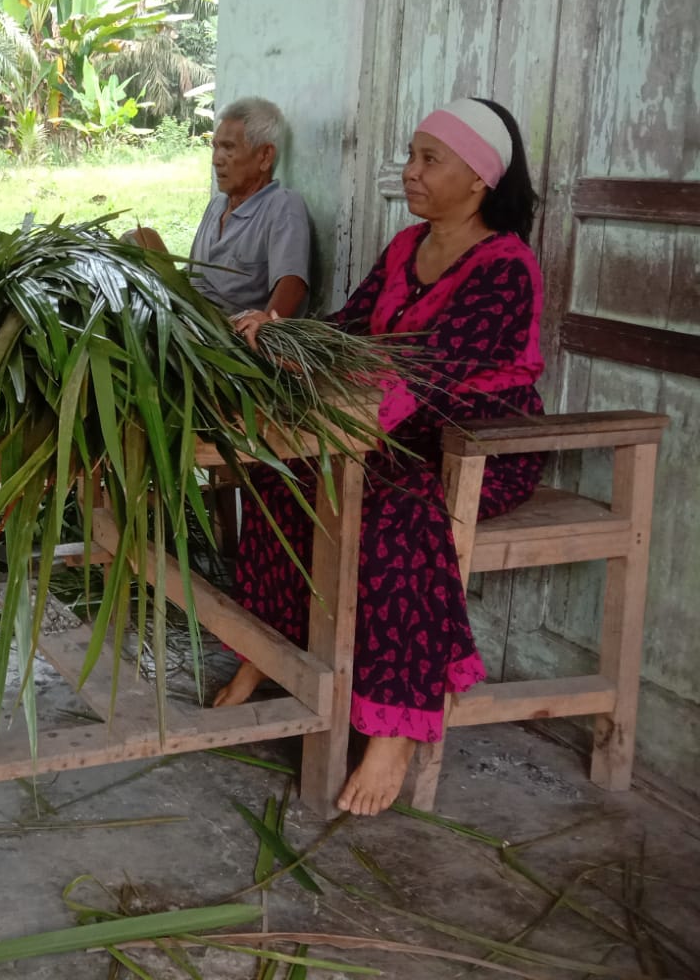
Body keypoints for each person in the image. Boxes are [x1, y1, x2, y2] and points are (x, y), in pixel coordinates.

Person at [216, 96, 544, 816]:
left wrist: (340, 407)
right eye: (412, 155)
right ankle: (270, 652)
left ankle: (396, 723)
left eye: (430, 159)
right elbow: (349, 327)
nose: (411, 171)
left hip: (475, 443)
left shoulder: (506, 267)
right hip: (390, 431)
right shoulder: (406, 247)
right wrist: (278, 334)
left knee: (393, 513)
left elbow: (431, 368)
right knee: (283, 477)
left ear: (481, 178)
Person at [185, 97, 311, 319]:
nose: (216, 160)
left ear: (264, 156)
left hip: (226, 334)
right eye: (215, 147)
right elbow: (191, 276)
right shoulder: (216, 205)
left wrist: (265, 322)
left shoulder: (281, 205)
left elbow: (293, 284)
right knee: (139, 238)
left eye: (228, 148)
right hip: (188, 319)